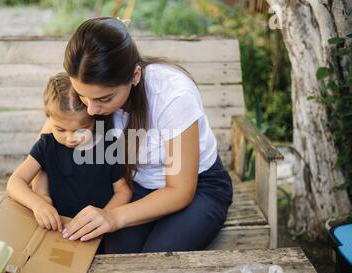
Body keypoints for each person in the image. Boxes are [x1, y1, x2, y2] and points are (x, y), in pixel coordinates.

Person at [33, 17, 233, 253]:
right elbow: (48, 138)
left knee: (159, 256)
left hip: (198, 187)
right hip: (135, 186)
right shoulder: (87, 84)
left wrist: (113, 217)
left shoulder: (173, 96)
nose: (91, 109)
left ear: (135, 76)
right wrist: (41, 197)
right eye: (82, 96)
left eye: (104, 99)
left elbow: (179, 191)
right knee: (115, 256)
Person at [6, 72, 132, 233]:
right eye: (60, 129)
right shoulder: (47, 145)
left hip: (98, 230)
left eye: (81, 129)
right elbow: (15, 182)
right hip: (59, 228)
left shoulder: (108, 145)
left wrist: (105, 215)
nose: (71, 138)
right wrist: (39, 205)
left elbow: (123, 190)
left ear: (94, 118)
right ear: (48, 118)